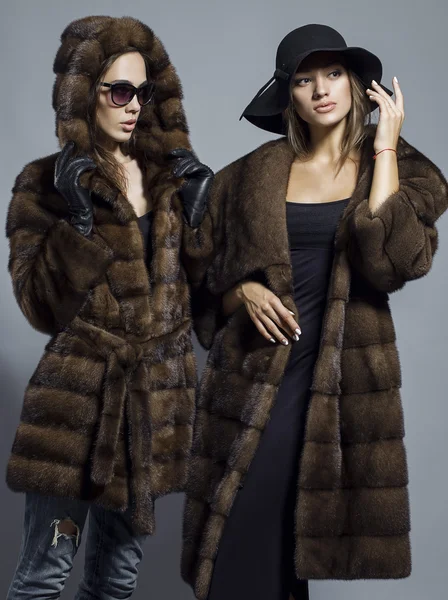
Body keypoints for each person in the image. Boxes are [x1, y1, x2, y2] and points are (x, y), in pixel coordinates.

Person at [181, 23, 448, 600]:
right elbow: (197, 284)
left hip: (340, 388)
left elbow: (390, 264)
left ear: (354, 84)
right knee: (240, 552)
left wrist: (384, 147)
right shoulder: (249, 176)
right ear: (289, 95)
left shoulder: (399, 168)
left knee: (280, 554)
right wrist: (241, 293)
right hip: (253, 380)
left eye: (332, 74)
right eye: (304, 79)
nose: (321, 89)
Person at [5, 15, 213, 600]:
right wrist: (77, 219)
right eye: (119, 91)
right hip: (75, 414)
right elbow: (40, 308)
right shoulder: (43, 184)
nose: (134, 107)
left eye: (143, 93)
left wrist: (201, 223)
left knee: (116, 582)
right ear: (82, 94)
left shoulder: (172, 182)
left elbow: (204, 308)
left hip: (149, 411)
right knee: (44, 577)